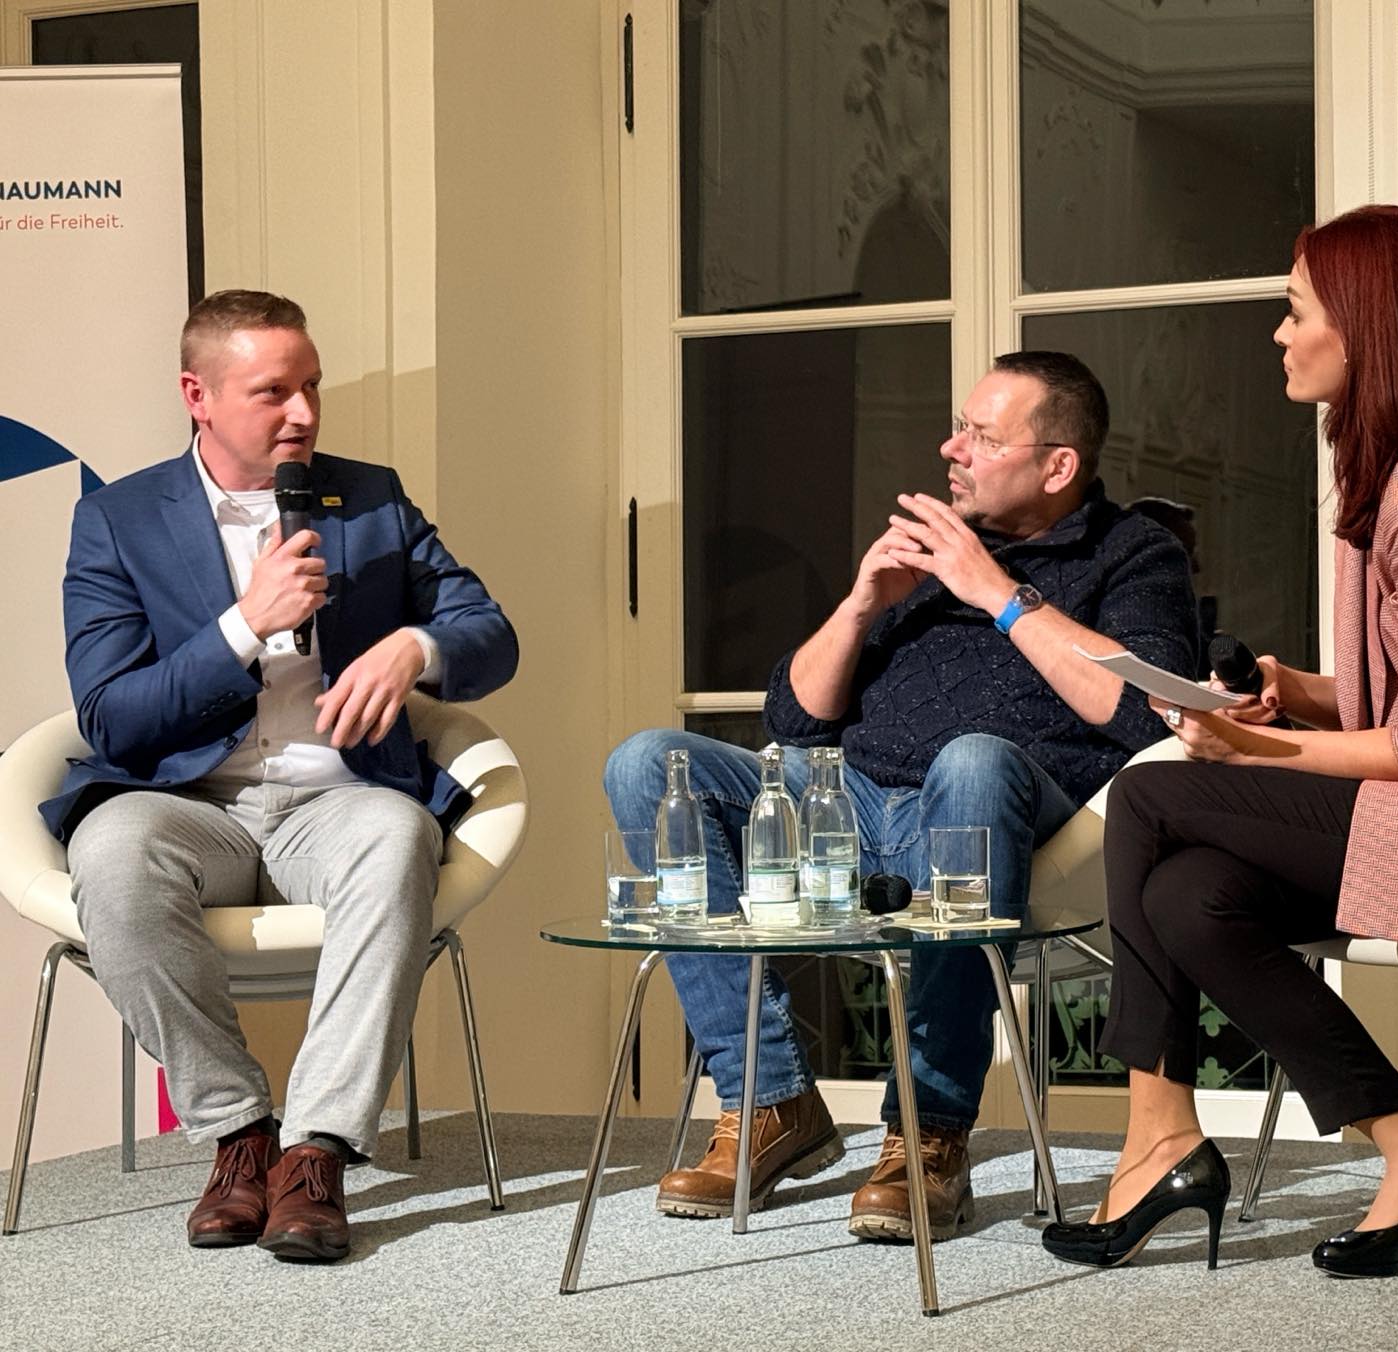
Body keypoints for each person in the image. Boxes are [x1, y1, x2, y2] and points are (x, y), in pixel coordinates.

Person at [1041, 205, 1398, 1278]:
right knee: (1188, 895)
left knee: (1152, 798)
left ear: (1364, 325)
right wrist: (1289, 690)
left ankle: (1155, 1134)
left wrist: (1252, 754)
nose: (1277, 330)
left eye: (1293, 307)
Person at [605, 351, 1198, 1242]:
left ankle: (927, 1132)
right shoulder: (936, 550)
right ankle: (768, 1102)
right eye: (959, 426)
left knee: (973, 759)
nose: (949, 446)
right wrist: (859, 605)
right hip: (844, 800)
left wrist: (996, 592)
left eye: (981, 436)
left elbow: (1149, 712)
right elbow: (793, 719)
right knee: (646, 762)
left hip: (985, 816)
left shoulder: (1132, 554)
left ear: (1058, 465)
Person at [42, 290, 518, 1263]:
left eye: (311, 386)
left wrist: (413, 650)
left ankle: (314, 1154)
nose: (302, 412)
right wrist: (241, 625)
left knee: (396, 834)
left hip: (336, 800)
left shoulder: (370, 496)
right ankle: (238, 1134)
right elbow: (113, 716)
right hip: (189, 802)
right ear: (198, 396)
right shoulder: (119, 518)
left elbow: (490, 635)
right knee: (113, 851)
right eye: (273, 391)